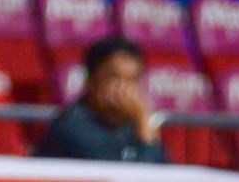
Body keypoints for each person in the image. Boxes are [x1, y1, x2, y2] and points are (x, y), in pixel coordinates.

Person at [34, 36, 168, 164]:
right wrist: (144, 122)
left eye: (132, 80)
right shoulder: (72, 127)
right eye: (115, 78)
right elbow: (122, 174)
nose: (124, 90)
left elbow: (166, 173)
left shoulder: (130, 126)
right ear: (91, 81)